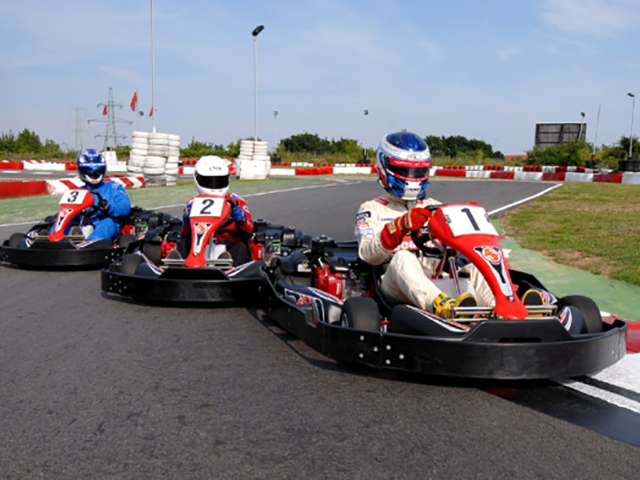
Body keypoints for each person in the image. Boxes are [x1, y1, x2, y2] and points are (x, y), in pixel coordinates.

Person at [356, 132, 509, 318]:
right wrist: (400, 226)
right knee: (403, 257)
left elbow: (457, 250)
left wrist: (468, 227)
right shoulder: (372, 209)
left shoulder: (434, 207)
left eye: (418, 172)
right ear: (384, 167)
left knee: (475, 266)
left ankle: (503, 309)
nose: (411, 178)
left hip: (438, 280)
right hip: (395, 287)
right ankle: (442, 306)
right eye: (404, 171)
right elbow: (368, 255)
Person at [177, 155, 253, 265]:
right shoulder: (193, 203)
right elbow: (184, 233)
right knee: (183, 242)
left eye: (219, 181)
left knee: (240, 247)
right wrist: (186, 221)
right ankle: (179, 265)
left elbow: (250, 228)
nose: (214, 185)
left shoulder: (235, 200)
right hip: (200, 247)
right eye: (208, 181)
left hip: (228, 244)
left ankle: (229, 267)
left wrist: (241, 219)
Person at [49, 149, 131, 242]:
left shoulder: (113, 187)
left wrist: (108, 207)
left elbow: (125, 207)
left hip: (105, 222)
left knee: (107, 223)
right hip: (82, 222)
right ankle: (54, 240)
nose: (94, 175)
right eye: (90, 172)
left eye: (97, 172)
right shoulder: (77, 191)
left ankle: (89, 242)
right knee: (65, 221)